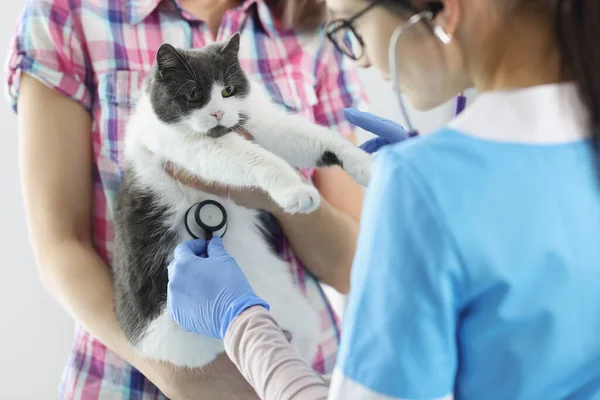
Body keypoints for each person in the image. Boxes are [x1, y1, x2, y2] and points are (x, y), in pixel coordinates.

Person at [166, 0, 600, 399]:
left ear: (444, 11)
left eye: (351, 28)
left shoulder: (421, 182)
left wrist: (240, 321)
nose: (366, 59)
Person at [6, 0, 369, 398]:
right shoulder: (68, 14)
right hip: (137, 372)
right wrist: (184, 379)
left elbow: (351, 265)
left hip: (293, 368)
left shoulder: (313, 25)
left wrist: (265, 192)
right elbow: (60, 244)